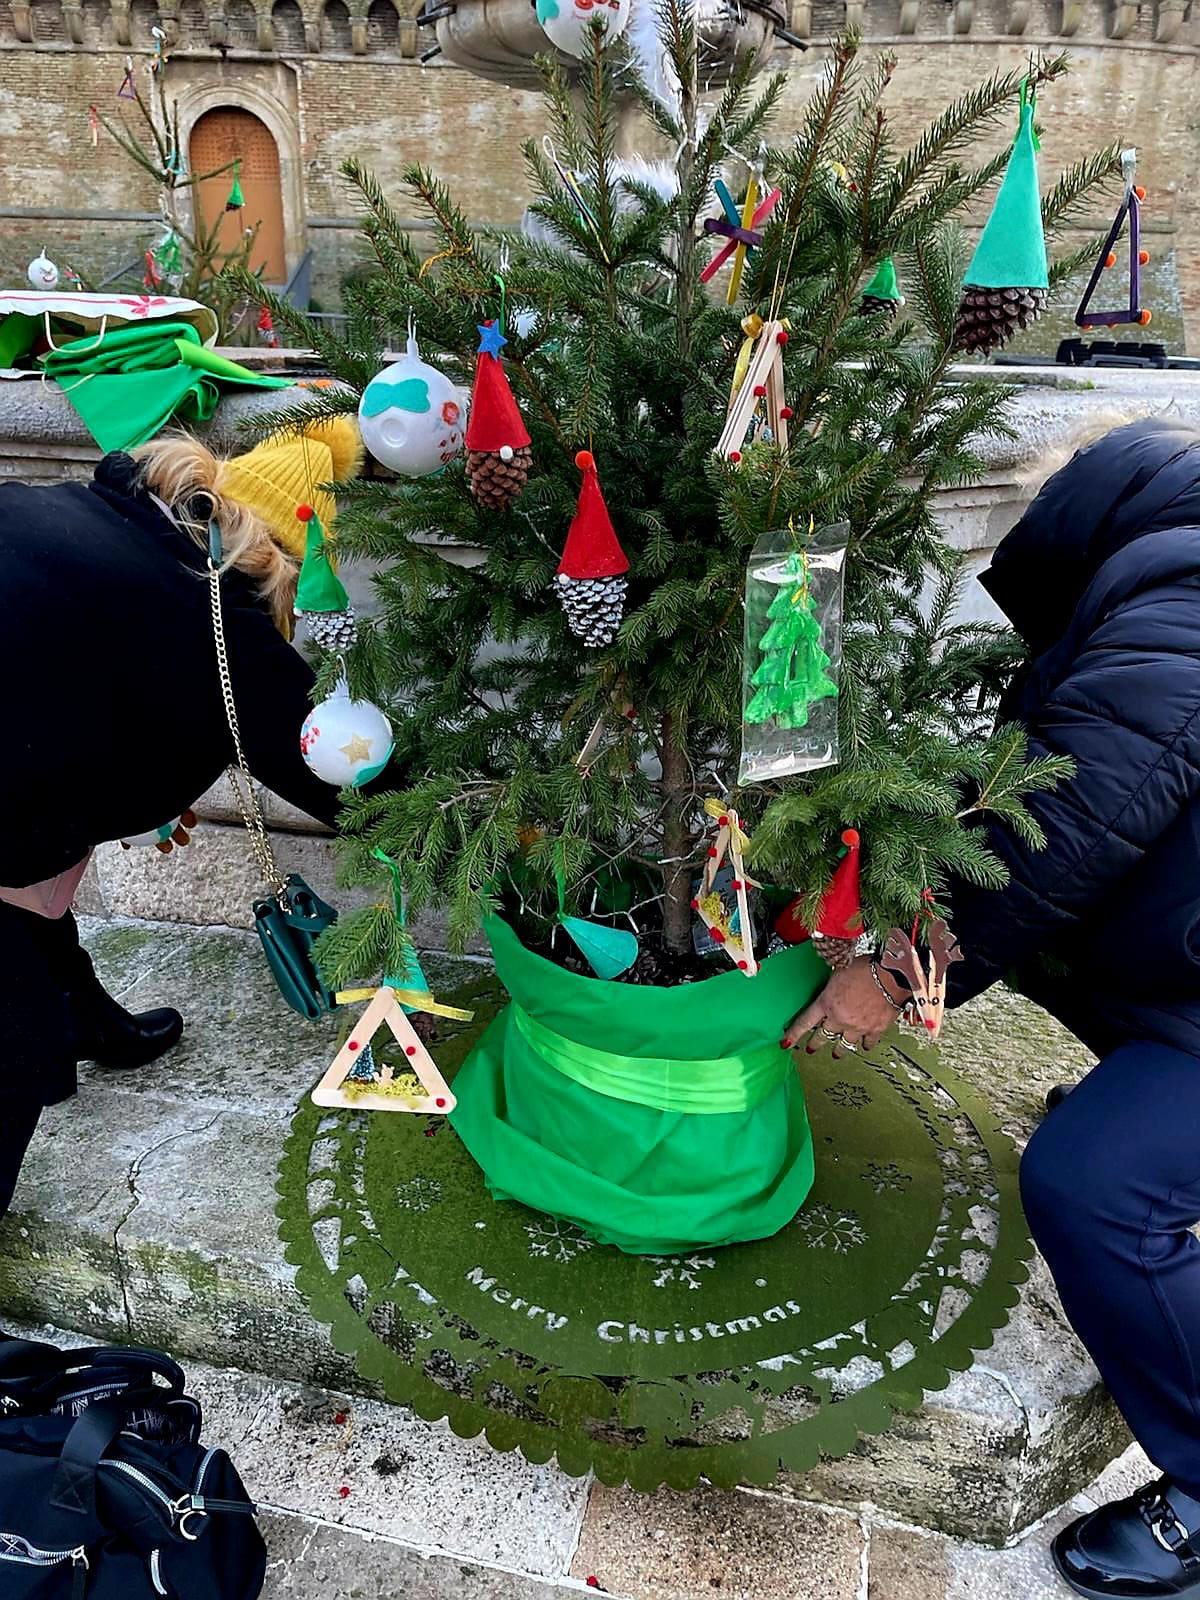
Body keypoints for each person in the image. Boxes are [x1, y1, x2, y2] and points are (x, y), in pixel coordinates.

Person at [786, 416, 1200, 1599]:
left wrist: (896, 968)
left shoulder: (1180, 606)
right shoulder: (1166, 562)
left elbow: (1069, 817)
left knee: (1091, 1182)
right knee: (1054, 947)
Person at [0, 417, 364, 1216]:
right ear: (283, 566)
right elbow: (347, 778)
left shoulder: (97, 517)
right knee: (11, 1033)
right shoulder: (219, 623)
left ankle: (83, 1014)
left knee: (30, 862)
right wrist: (505, 847)